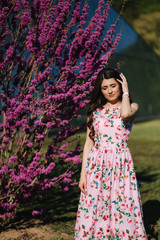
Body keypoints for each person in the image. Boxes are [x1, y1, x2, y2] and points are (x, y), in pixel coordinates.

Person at [74, 68, 147, 239]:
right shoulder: (94, 112)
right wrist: (83, 174)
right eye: (105, 88)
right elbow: (89, 143)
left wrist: (126, 91)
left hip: (120, 164)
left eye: (113, 86)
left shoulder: (131, 106)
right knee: (96, 204)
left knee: (121, 203)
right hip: (96, 165)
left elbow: (125, 114)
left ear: (120, 85)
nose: (109, 91)